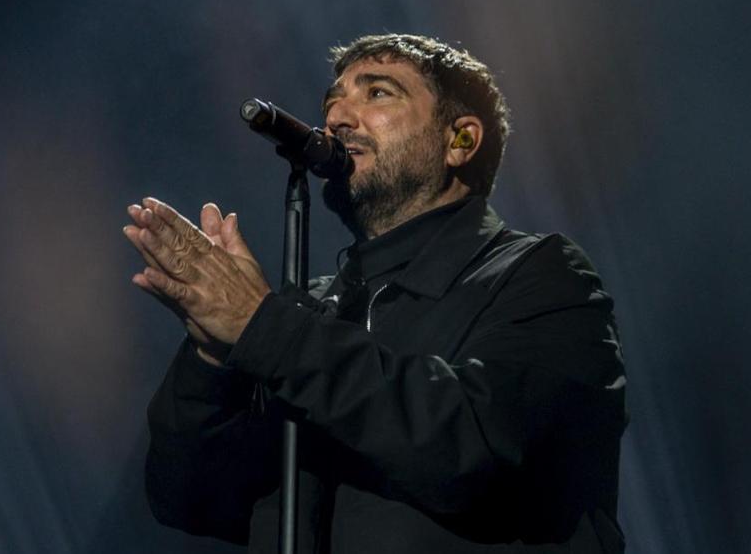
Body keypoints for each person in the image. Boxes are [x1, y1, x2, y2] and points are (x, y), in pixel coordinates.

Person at [123, 34, 627, 553]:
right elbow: (188, 498)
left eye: (378, 93)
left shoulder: (541, 276)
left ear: (460, 141)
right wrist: (213, 354)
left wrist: (262, 326)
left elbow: (477, 447)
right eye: (332, 101)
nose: (338, 116)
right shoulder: (308, 313)